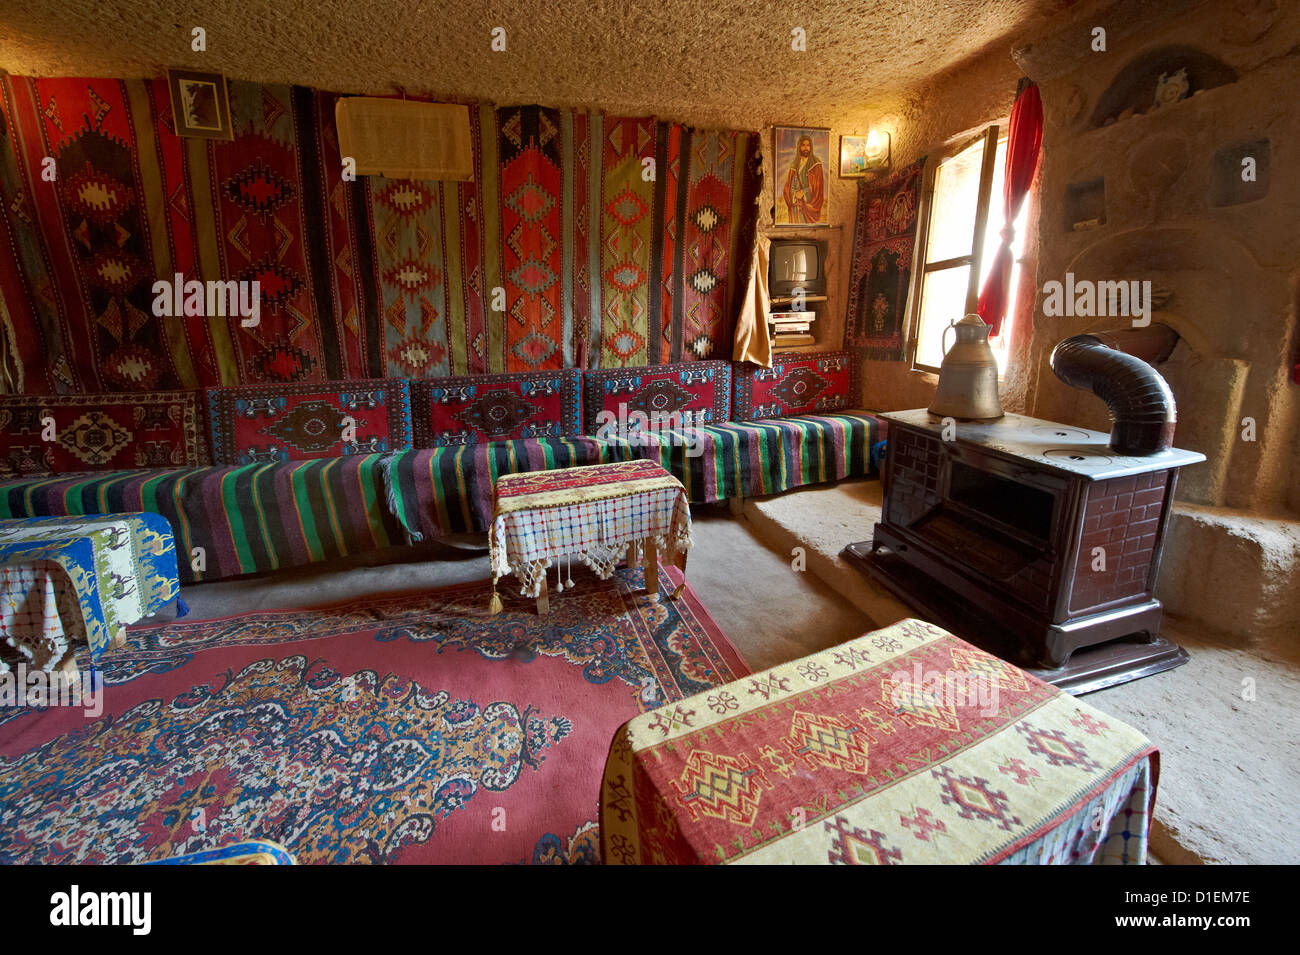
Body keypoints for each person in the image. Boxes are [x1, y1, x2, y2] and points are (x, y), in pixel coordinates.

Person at [782, 135, 825, 224]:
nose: (806, 148)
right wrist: (794, 194)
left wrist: (803, 192)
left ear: (811, 147)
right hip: (795, 207)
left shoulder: (816, 163)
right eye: (803, 145)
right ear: (799, 147)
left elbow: (818, 187)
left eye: (808, 145)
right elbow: (789, 186)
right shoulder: (795, 164)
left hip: (809, 206)